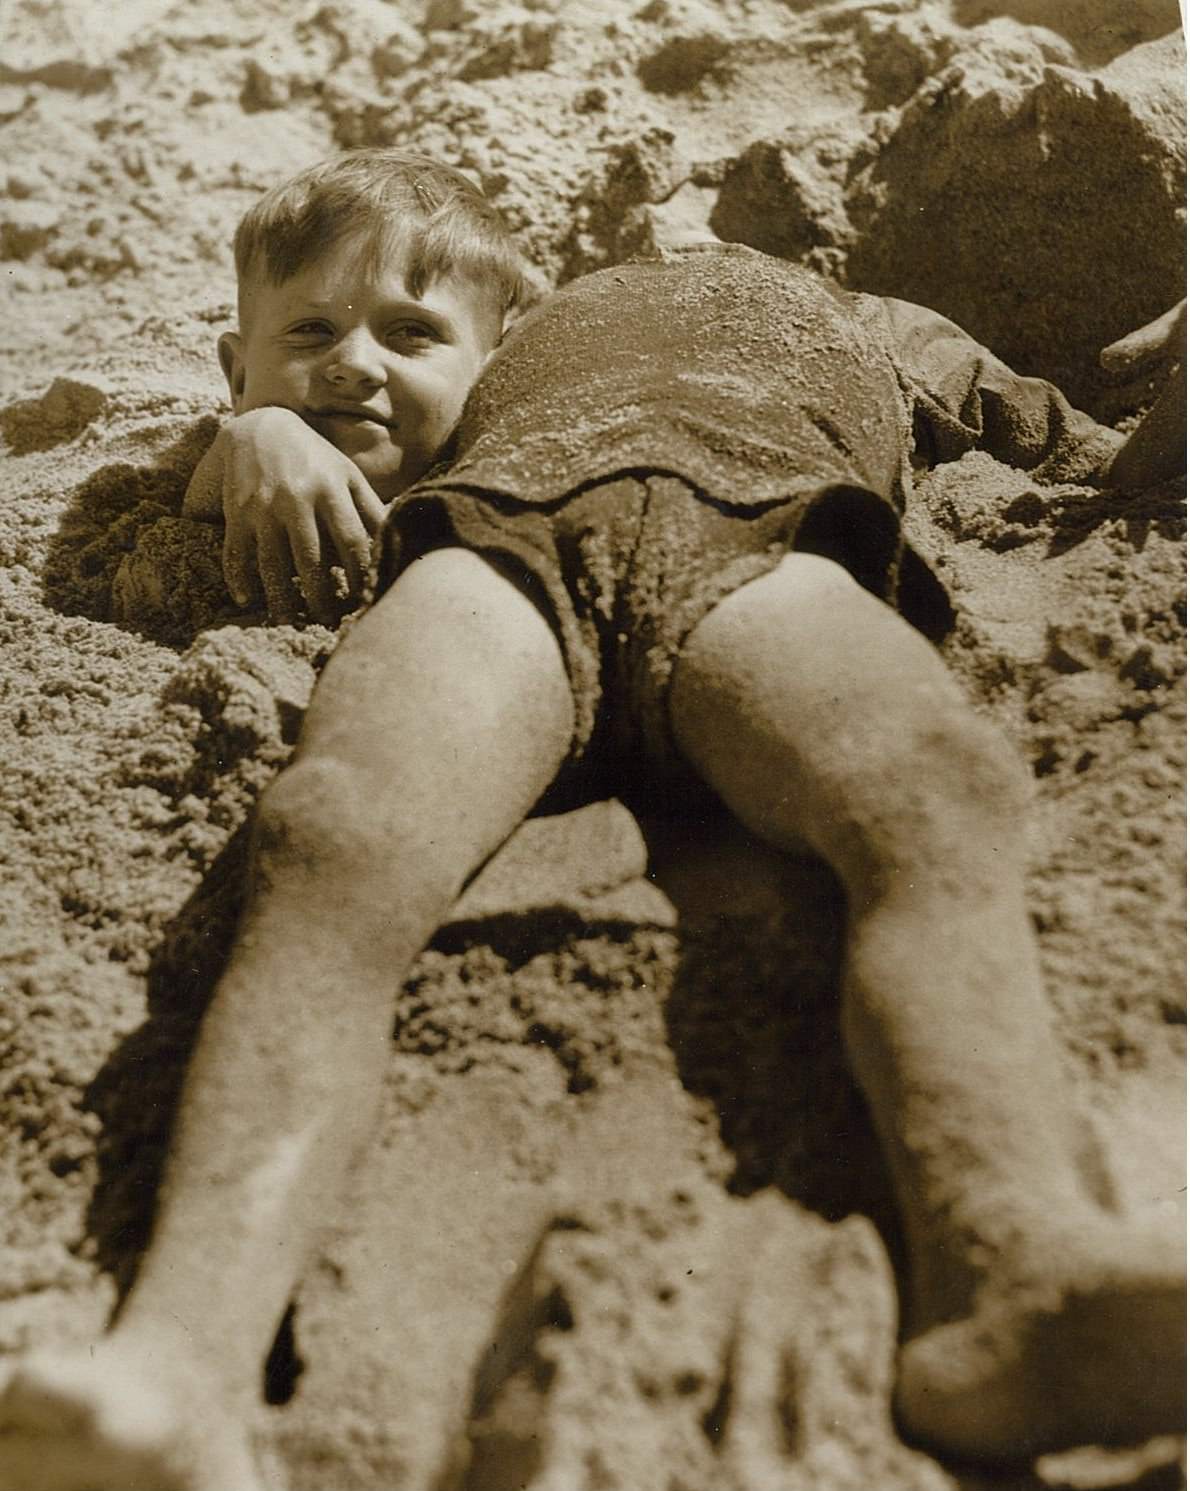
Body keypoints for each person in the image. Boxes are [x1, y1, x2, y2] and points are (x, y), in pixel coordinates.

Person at [0, 148, 1182, 1491]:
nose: (675, 219)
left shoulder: (875, 324)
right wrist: (251, 428)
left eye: (403, 327)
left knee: (927, 782)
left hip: (762, 528)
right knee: (334, 836)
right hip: (493, 537)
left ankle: (1012, 1264)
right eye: (325, 331)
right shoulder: (490, 362)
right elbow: (263, 440)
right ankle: (184, 1359)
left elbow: (1089, 460)